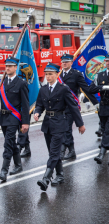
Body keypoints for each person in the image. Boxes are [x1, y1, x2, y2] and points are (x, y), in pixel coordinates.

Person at [34, 63, 85, 191]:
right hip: (47, 124)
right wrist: (37, 112)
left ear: (57, 74)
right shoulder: (43, 89)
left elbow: (73, 107)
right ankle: (60, 175)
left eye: (51, 74)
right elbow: (40, 104)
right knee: (53, 152)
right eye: (46, 74)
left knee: (54, 152)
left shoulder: (63, 89)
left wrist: (80, 124)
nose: (48, 76)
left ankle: (46, 178)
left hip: (60, 123)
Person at [0, 56, 30, 181]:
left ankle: (4, 171)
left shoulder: (21, 83)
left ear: (16, 67)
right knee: (11, 142)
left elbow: (25, 105)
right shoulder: (2, 82)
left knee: (8, 143)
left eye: (10, 66)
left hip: (14, 117)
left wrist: (25, 122)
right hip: (4, 117)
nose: (7, 68)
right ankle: (19, 165)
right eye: (6, 66)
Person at [59, 53, 98, 160]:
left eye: (67, 61)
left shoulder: (76, 74)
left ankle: (62, 151)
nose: (64, 63)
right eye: (63, 61)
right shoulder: (58, 75)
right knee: (63, 129)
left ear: (71, 63)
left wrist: (95, 102)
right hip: (59, 108)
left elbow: (86, 89)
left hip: (71, 107)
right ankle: (71, 151)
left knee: (66, 129)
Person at [89, 54, 109, 164]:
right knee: (104, 129)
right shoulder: (100, 75)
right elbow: (91, 89)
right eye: (106, 61)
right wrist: (102, 87)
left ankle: (101, 153)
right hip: (104, 107)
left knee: (107, 131)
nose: (108, 63)